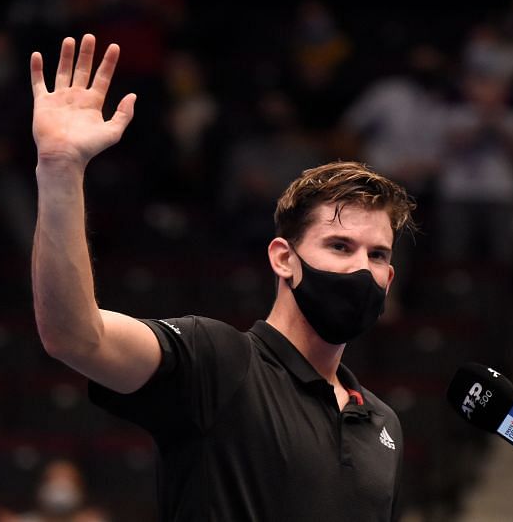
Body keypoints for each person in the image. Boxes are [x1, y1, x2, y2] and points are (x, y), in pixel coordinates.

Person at [30, 34, 415, 521]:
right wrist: (60, 169)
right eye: (339, 246)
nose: (361, 266)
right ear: (283, 258)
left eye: (377, 255)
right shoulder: (220, 361)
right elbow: (75, 335)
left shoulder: (383, 425)